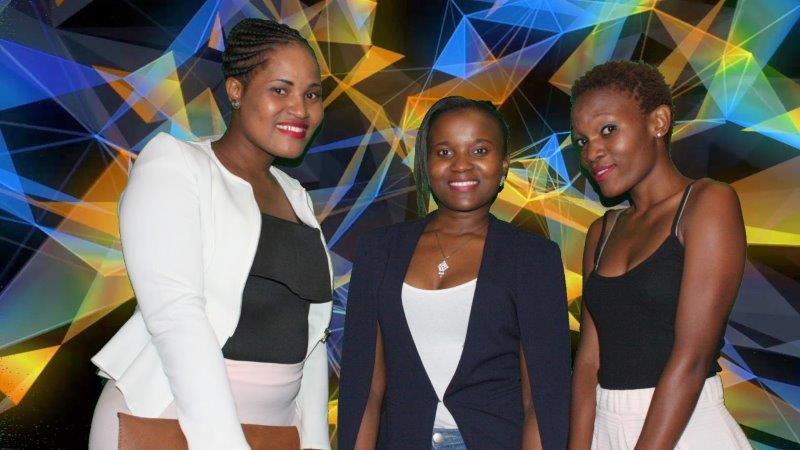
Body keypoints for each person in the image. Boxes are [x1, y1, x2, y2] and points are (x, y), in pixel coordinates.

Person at [88, 18, 332, 450]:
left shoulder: (296, 196)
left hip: (274, 431)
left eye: (312, 94)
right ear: (236, 90)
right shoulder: (176, 165)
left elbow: (311, 339)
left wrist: (313, 442)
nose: (300, 108)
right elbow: (176, 317)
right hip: (169, 423)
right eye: (281, 90)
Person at [338, 96, 571, 449]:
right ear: (426, 162)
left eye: (479, 151)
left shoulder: (534, 258)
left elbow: (542, 400)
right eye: (444, 152)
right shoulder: (378, 251)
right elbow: (364, 389)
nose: (461, 165)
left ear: (503, 164)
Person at [568, 60, 751, 449]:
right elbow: (588, 363)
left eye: (608, 129)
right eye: (582, 141)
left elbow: (691, 358)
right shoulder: (602, 231)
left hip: (684, 428)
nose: (593, 152)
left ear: (659, 122)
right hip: (605, 428)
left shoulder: (707, 203)